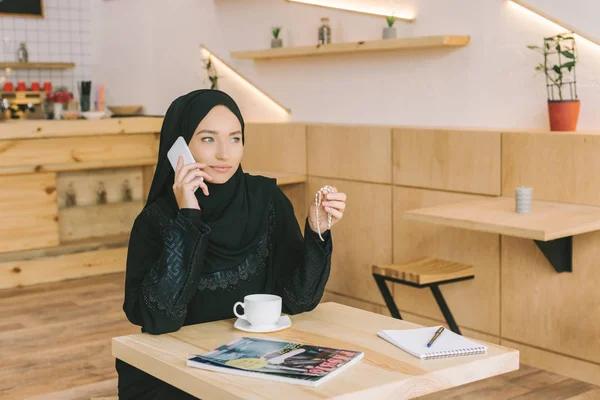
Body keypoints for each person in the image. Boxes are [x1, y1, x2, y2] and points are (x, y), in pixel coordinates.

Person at [116, 89, 347, 399]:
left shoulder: (266, 201)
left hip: (256, 365)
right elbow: (160, 319)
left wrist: (316, 229)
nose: (225, 154)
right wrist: (188, 216)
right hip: (176, 372)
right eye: (208, 139)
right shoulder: (156, 220)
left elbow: (298, 300)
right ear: (180, 147)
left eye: (235, 138)